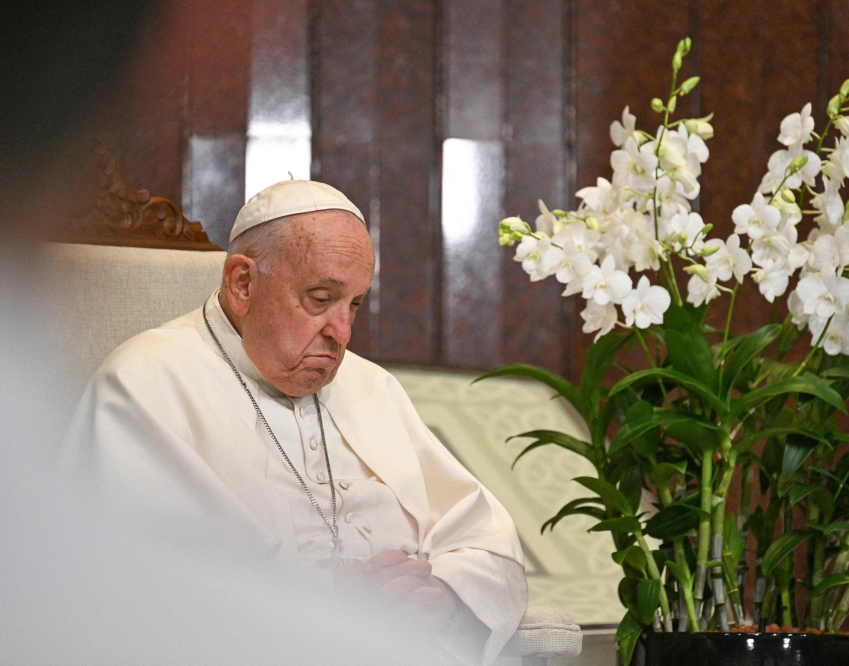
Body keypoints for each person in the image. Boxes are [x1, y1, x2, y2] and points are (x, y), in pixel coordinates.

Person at [63, 179, 528, 664]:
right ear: (242, 284)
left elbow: (486, 541)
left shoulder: (371, 386)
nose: (342, 333)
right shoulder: (145, 381)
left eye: (354, 304)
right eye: (320, 298)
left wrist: (446, 597)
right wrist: (325, 599)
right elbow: (136, 582)